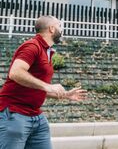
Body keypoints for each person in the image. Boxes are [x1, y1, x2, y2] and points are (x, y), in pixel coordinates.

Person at [0, 15, 87, 149]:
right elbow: (15, 72)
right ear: (52, 29)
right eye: (59, 26)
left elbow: (33, 86)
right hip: (14, 113)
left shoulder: (46, 52)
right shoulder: (32, 46)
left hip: (36, 116)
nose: (61, 29)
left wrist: (66, 95)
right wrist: (48, 86)